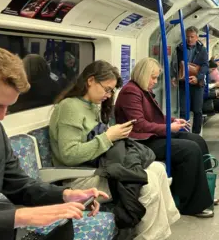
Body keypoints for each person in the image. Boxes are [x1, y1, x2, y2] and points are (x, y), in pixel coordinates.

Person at [0, 46, 107, 240]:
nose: (1, 116)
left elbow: (20, 185)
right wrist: (19, 217)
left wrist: (66, 195)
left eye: (8, 107)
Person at [49, 60, 180, 240]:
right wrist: (109, 137)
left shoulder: (91, 106)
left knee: (157, 168)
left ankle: (157, 233)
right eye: (107, 89)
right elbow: (69, 155)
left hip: (98, 168)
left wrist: (113, 136)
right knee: (147, 181)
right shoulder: (70, 107)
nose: (109, 95)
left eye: (111, 91)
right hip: (79, 177)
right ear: (91, 81)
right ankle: (147, 236)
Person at [115, 57, 215, 218]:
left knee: (197, 140)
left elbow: (156, 118)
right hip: (139, 142)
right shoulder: (131, 92)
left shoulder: (143, 91)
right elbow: (139, 124)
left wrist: (173, 121)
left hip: (150, 136)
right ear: (143, 75)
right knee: (190, 149)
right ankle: (190, 204)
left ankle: (205, 191)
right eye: (152, 77)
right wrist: (168, 128)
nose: (155, 81)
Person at [171, 26, 209, 134]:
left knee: (197, 111)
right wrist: (174, 76)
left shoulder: (202, 49)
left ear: (197, 37)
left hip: (197, 84)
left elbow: (205, 66)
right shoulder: (180, 48)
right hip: (183, 83)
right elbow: (175, 64)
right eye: (187, 37)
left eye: (192, 37)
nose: (189, 39)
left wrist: (198, 78)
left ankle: (196, 134)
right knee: (183, 111)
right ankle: (184, 133)